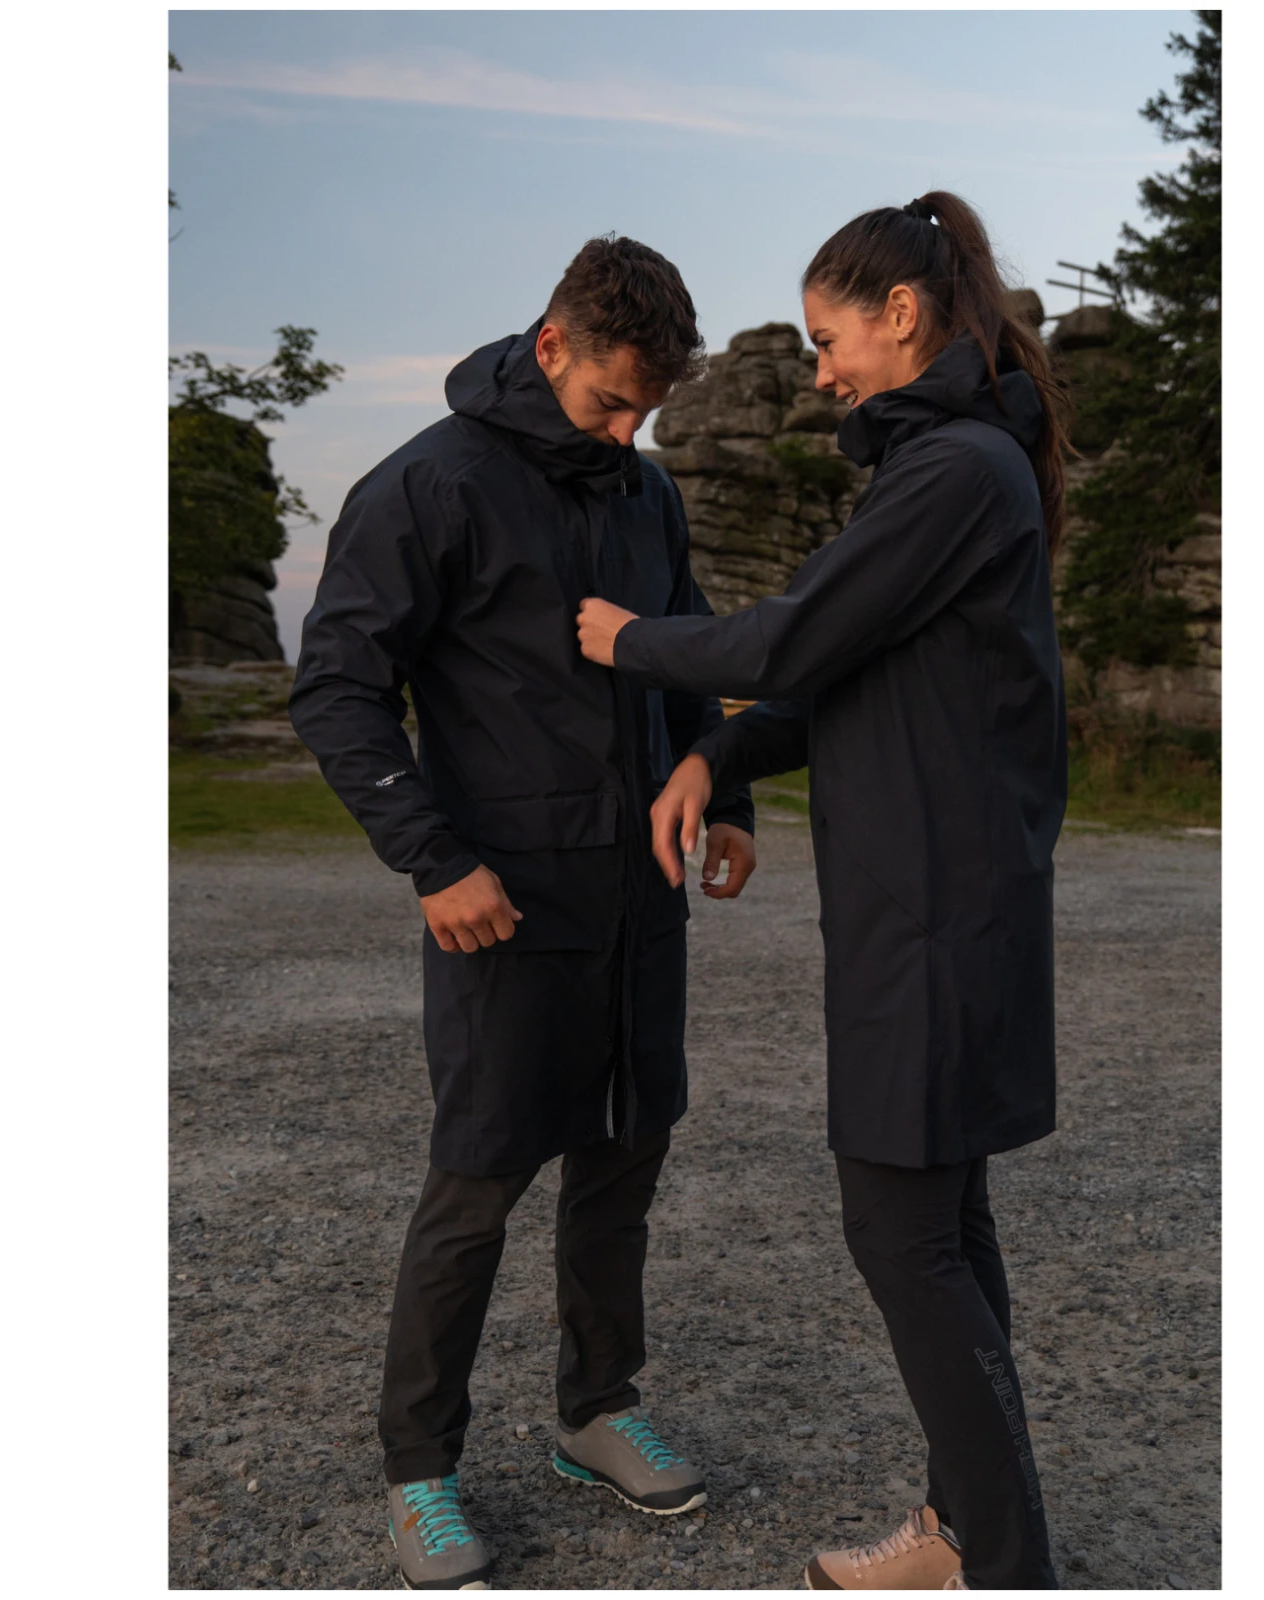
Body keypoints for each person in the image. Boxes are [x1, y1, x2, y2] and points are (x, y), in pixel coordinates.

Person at [577, 191, 1068, 1591]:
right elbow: (853, 674)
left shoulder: (956, 469)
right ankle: (968, 1538)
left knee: (900, 1229)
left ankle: (1000, 1563)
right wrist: (722, 753)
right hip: (940, 900)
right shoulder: (949, 466)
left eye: (826, 337)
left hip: (938, 911)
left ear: (900, 314)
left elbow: (794, 637)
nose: (819, 370)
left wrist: (632, 643)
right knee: (943, 1225)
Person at [290, 234, 757, 1591]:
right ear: (551, 346)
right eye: (611, 402)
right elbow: (337, 687)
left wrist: (726, 792)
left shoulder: (647, 493)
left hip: (640, 901)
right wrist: (432, 858)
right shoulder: (429, 485)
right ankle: (419, 1470)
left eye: (645, 413)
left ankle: (596, 1409)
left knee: (625, 1157)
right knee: (479, 1182)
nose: (626, 434)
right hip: (500, 904)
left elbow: (683, 654)